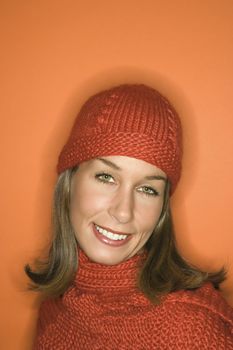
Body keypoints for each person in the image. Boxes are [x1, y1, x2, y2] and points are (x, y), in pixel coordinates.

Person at [26, 84, 233, 349]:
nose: (123, 212)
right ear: (69, 182)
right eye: (106, 177)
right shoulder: (54, 312)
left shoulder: (189, 331)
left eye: (148, 189)